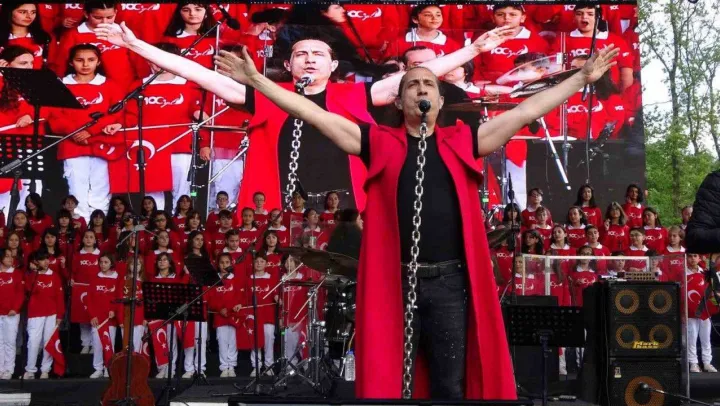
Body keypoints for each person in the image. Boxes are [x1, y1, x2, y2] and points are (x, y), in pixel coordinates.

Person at [205, 30, 617, 399]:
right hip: (396, 281)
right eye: (412, 84)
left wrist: (581, 78)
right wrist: (257, 80)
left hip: (450, 282)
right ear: (400, 101)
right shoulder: (377, 141)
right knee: (394, 380)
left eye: (428, 83)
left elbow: (525, 111)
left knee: (449, 383)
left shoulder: (464, 140)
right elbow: (311, 112)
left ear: (440, 100)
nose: (421, 87)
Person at [95, 21, 514, 211]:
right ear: (288, 65)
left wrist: (475, 49)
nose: (309, 59)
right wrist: (134, 45)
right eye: (301, 54)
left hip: (348, 209)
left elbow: (418, 75)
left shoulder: (355, 94)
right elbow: (200, 74)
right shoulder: (267, 96)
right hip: (280, 207)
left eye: (318, 54)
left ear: (333, 65)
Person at [49, 44, 122, 222]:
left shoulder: (109, 85)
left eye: (91, 60)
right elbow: (54, 116)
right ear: (71, 62)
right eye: (79, 60)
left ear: (98, 62)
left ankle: (98, 228)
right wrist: (74, 132)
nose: (85, 64)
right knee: (76, 189)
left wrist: (90, 131)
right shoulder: (60, 85)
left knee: (101, 189)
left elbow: (117, 113)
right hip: (72, 146)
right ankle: (80, 226)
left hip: (102, 144)